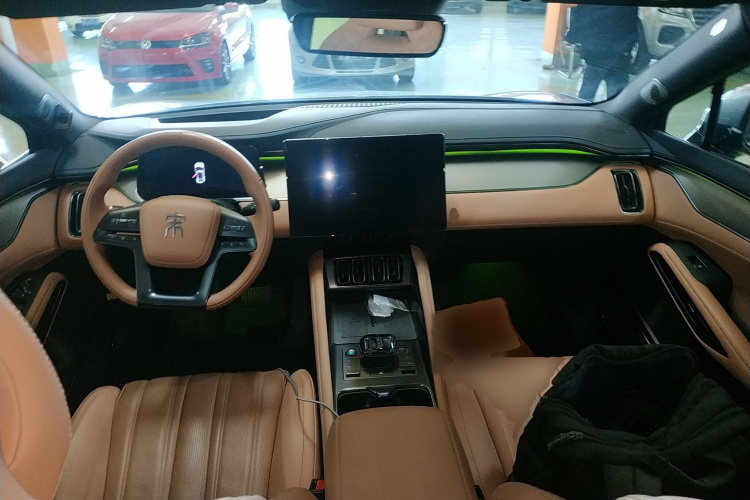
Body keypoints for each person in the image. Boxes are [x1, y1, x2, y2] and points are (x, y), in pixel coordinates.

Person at [565, 5, 639, 101]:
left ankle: (584, 108)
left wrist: (570, 38)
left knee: (587, 92)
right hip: (619, 53)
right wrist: (627, 47)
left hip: (595, 51)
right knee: (618, 96)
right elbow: (633, 25)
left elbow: (581, 18)